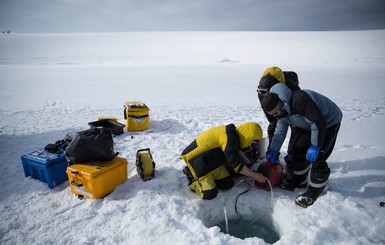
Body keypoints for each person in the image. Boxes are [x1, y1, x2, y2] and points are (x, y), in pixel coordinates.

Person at [261, 83, 342, 207]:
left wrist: (315, 146)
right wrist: (273, 150)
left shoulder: (300, 100)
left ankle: (315, 191)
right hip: (306, 123)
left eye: (277, 112)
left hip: (327, 121)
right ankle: (299, 179)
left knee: (318, 157)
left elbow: (318, 123)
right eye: (274, 114)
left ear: (282, 104)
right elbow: (280, 132)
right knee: (298, 149)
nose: (277, 115)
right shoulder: (281, 111)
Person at [179, 122, 268, 200]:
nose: (255, 143)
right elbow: (235, 163)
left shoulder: (234, 136)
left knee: (227, 184)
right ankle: (190, 174)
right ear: (248, 136)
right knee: (209, 193)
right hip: (196, 161)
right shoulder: (229, 138)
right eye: (255, 140)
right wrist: (254, 175)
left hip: (212, 163)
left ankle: (210, 177)